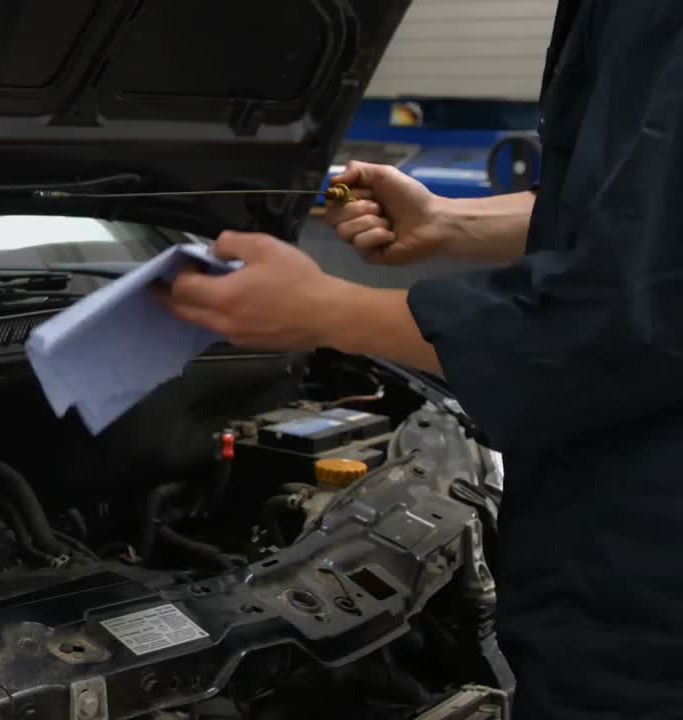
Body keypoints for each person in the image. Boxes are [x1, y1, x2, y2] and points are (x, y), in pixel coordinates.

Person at [157, 1, 683, 716]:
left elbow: (623, 311)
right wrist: (448, 220)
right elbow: (634, 209)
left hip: (649, 595)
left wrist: (329, 311)